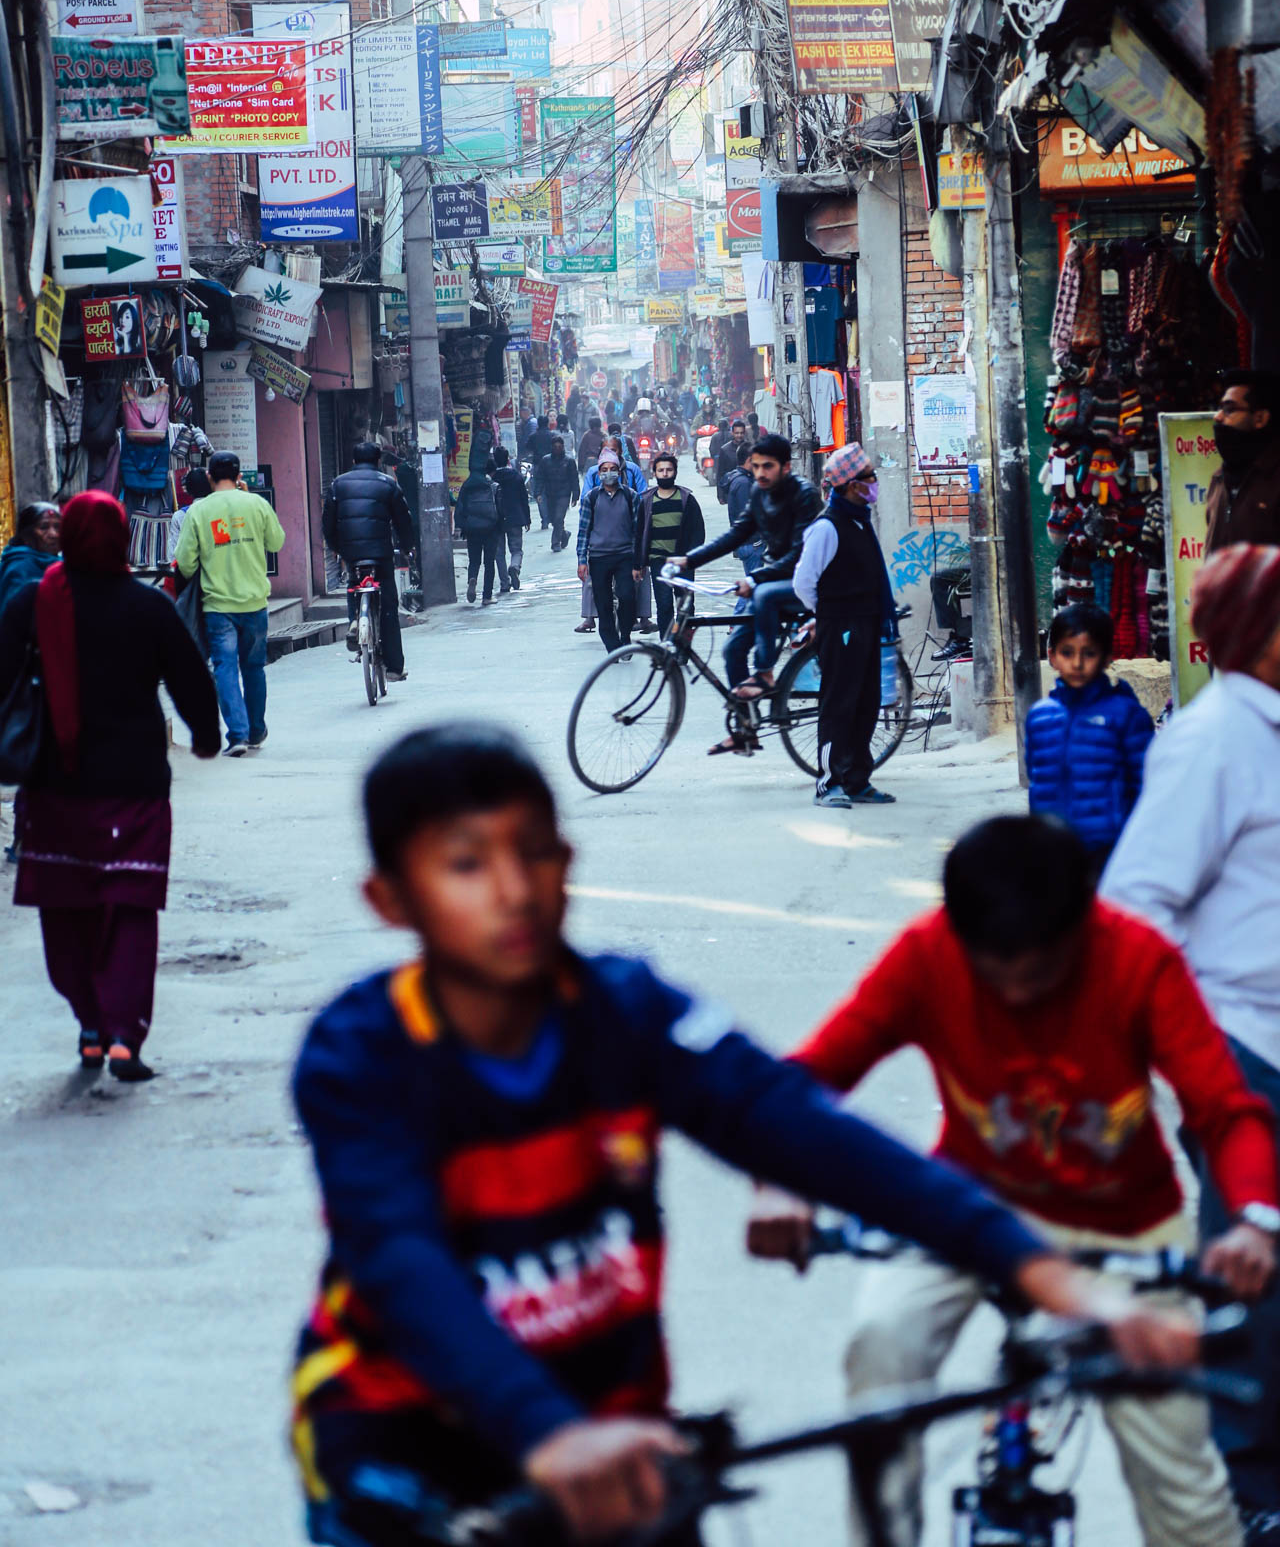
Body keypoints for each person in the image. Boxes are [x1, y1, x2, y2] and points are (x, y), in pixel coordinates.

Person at [290, 726, 1203, 1547]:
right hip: (409, 1447)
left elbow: (801, 1127)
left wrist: (1045, 1272)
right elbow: (399, 1260)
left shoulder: (628, 1010)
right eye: (465, 865)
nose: (515, 891)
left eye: (535, 853)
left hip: (619, 1433)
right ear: (390, 898)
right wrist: (547, 1433)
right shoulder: (360, 1055)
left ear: (569, 858)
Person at [749, 812, 1277, 1547]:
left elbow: (1227, 1110)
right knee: (881, 1347)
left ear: (1083, 925)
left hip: (1125, 1224)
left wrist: (1255, 1220)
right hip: (962, 1209)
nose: (1019, 997)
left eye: (1039, 972)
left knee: (1182, 1482)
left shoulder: (1138, 960)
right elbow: (807, 1080)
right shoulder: (927, 954)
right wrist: (780, 1181)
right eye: (993, 973)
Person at [1104, 543, 1280, 1533]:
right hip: (1238, 1044)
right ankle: (1243, 1497)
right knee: (1245, 1278)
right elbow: (1135, 906)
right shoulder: (1213, 740)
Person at [0, 492, 220, 1079]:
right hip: (135, 786)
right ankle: (124, 1034)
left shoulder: (30, 603)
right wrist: (205, 734)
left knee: (65, 908)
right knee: (129, 908)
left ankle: (91, 1024)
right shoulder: (146, 607)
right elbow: (190, 677)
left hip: (54, 785)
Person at [672, 433, 821, 721]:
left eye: (768, 467)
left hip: (806, 582)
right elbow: (735, 535)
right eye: (756, 466)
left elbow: (801, 552)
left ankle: (764, 673)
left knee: (763, 594)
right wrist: (689, 559)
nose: (761, 473)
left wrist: (755, 579)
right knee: (732, 651)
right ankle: (747, 722)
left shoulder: (804, 496)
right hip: (774, 579)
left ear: (786, 468)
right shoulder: (758, 493)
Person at [792, 444, 896, 808]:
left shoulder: (858, 519)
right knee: (839, 704)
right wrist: (830, 613)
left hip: (866, 623)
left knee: (866, 703)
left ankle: (857, 779)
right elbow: (804, 583)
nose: (874, 482)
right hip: (841, 626)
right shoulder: (827, 527)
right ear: (852, 484)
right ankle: (829, 782)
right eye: (869, 476)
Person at [1025, 604, 1154, 873]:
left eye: (1089, 653)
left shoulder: (1126, 715)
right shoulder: (1039, 717)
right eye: (1067, 652)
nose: (1077, 663)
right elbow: (1036, 776)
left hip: (1110, 849)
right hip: (1053, 848)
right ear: (1052, 656)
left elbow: (1145, 784)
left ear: (1107, 657)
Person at [174, 451, 285, 757]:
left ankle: (236, 735)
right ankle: (256, 730)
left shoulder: (198, 511)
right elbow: (276, 542)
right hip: (255, 602)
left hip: (218, 605)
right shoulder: (257, 504)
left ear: (209, 477)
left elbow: (185, 563)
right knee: (253, 667)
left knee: (225, 667)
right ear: (239, 477)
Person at [322, 442, 416, 681]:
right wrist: (407, 547)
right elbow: (403, 520)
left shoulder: (337, 484)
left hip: (351, 553)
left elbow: (328, 523)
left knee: (355, 583)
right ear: (377, 462)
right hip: (380, 553)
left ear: (354, 461)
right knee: (388, 608)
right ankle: (394, 668)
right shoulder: (387, 483)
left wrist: (337, 548)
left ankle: (355, 620)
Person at [1207, 370, 1280, 552]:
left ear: (1260, 418)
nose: (1218, 417)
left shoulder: (1274, 479)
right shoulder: (1220, 479)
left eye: (1230, 409)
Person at [633, 452, 705, 635]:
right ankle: (666, 647)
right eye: (661, 470)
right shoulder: (647, 501)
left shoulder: (687, 499)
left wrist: (691, 557)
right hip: (658, 561)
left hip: (683, 562)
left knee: (686, 607)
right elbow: (639, 533)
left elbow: (698, 532)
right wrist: (638, 564)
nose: (665, 473)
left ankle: (683, 646)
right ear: (654, 472)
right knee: (664, 605)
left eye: (669, 470)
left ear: (675, 472)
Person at [576, 451, 641, 652]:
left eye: (612, 469)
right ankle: (613, 646)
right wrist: (582, 560)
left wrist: (639, 561)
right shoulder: (591, 497)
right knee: (603, 604)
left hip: (624, 556)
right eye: (604, 470)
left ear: (619, 471)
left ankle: (626, 635)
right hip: (598, 557)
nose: (608, 473)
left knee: (627, 597)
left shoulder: (631, 497)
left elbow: (637, 532)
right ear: (599, 474)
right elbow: (584, 531)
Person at [0, 501, 61, 620]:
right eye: (44, 527)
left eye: (57, 527)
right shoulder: (19, 568)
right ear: (26, 535)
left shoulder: (61, 563)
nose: (54, 534)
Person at [454, 461, 504, 606]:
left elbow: (460, 508)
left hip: (472, 529)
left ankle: (472, 578)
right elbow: (500, 509)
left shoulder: (467, 486)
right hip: (491, 529)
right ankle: (487, 596)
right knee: (489, 562)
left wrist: (461, 528)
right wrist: (500, 527)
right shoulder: (493, 486)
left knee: (474, 561)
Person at [492, 447, 530, 591]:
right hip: (515, 517)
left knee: (499, 553)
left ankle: (504, 583)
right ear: (508, 458)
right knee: (516, 550)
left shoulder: (492, 477)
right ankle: (514, 566)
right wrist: (527, 519)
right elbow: (523, 499)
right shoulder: (516, 476)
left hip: (496, 520)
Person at [535, 435, 580, 553]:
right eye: (555, 446)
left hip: (564, 494)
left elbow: (574, 479)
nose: (557, 449)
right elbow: (540, 478)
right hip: (550, 494)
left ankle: (555, 543)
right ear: (551, 447)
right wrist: (538, 493)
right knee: (554, 519)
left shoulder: (569, 461)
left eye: (559, 446)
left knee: (559, 517)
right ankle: (564, 534)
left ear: (563, 447)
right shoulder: (545, 460)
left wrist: (575, 495)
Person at [166, 470, 211, 565]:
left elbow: (173, 554)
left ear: (188, 490)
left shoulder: (180, 516)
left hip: (189, 572)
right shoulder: (220, 511)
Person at [715, 419, 748, 503]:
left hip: (747, 489)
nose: (739, 435)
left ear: (744, 433)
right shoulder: (725, 450)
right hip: (731, 490)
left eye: (741, 433)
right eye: (737, 433)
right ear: (732, 433)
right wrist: (720, 495)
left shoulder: (750, 448)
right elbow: (720, 473)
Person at [576, 413, 605, 478]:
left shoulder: (586, 435)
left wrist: (580, 466)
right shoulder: (604, 436)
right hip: (601, 462)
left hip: (588, 462)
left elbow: (581, 451)